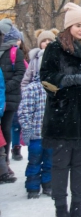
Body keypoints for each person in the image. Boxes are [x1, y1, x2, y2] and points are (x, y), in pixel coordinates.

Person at [40, 2, 81, 217]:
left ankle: (77, 208)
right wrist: (72, 79)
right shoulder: (55, 47)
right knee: (60, 166)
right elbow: (46, 78)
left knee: (80, 165)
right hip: (62, 117)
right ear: (69, 26)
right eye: (78, 25)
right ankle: (61, 209)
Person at [18, 28, 58, 199]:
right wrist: (26, 129)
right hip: (35, 135)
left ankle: (48, 184)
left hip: (50, 135)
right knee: (34, 162)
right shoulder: (32, 89)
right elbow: (24, 111)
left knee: (50, 162)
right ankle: (32, 186)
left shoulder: (56, 90)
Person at [0, 19, 26, 169]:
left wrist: (5, 87)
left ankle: (5, 162)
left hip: (10, 97)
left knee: (5, 128)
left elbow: (20, 73)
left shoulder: (15, 52)